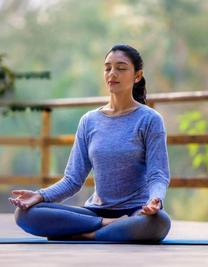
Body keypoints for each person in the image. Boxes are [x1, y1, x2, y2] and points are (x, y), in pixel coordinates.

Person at [9, 44, 171, 242]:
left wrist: (156, 199)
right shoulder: (89, 120)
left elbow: (158, 175)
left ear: (137, 76)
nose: (112, 73)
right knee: (26, 214)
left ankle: (85, 234)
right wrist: (40, 196)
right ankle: (106, 227)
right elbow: (72, 180)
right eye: (107, 68)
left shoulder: (149, 119)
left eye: (120, 68)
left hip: (136, 213)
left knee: (159, 222)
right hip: (95, 213)